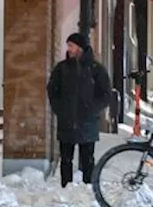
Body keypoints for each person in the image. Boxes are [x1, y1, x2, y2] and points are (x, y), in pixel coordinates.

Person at [46, 33, 113, 187]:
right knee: (66, 158)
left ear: (80, 47)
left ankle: (89, 187)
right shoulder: (62, 68)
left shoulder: (96, 69)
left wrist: (92, 108)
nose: (68, 49)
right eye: (68, 45)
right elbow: (52, 90)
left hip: (88, 121)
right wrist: (59, 109)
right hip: (66, 120)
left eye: (71, 45)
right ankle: (66, 187)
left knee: (87, 159)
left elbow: (105, 94)